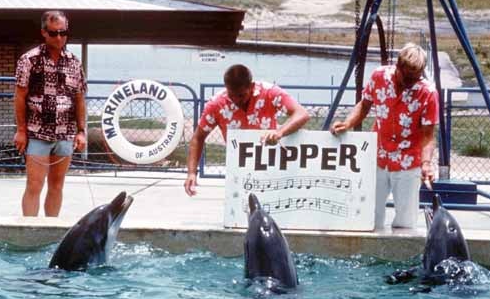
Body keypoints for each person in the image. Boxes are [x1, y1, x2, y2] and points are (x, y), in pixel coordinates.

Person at [330, 43, 439, 229]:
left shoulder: (428, 93)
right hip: (378, 157)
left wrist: (426, 163)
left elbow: (428, 135)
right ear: (398, 66)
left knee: (406, 221)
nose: (411, 82)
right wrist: (348, 123)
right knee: (369, 215)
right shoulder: (379, 76)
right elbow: (364, 105)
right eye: (408, 77)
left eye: (416, 77)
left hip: (408, 162)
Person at [184, 64, 310, 196]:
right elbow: (198, 137)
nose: (236, 100)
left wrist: (279, 132)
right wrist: (192, 172)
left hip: (271, 165)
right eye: (232, 95)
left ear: (251, 86)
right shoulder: (216, 104)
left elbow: (302, 114)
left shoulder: (269, 92)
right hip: (239, 171)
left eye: (241, 95)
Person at [14, 10, 87, 216]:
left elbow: (80, 98)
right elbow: (19, 96)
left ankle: (51, 230)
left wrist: (81, 131)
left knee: (57, 186)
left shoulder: (74, 62)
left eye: (63, 33)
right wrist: (21, 130)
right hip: (37, 132)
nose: (59, 37)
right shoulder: (29, 60)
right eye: (54, 33)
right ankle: (30, 231)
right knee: (34, 186)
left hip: (65, 133)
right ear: (44, 33)